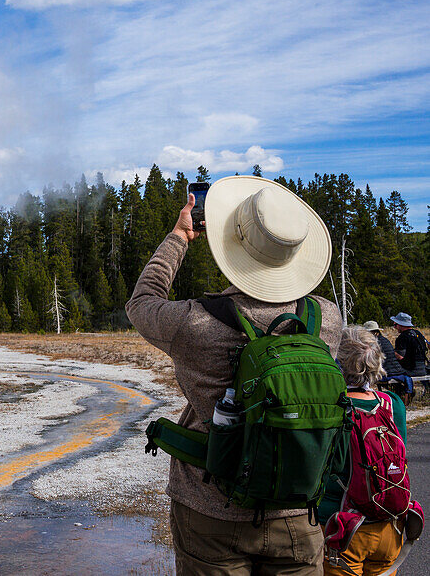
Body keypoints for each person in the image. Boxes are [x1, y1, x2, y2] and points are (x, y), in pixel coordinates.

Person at [128, 175, 342, 575]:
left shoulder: (192, 323)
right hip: (295, 510)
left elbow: (142, 301)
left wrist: (178, 236)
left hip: (210, 509)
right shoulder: (326, 319)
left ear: (230, 245)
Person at [319, 326, 419, 576]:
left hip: (343, 525)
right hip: (390, 524)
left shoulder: (333, 407)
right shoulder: (392, 404)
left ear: (338, 362)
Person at [366, 320, 414, 399]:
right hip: (397, 370)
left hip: (386, 371)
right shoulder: (385, 340)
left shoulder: (372, 342)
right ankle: (400, 394)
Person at [392, 312, 429, 395]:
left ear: (401, 325)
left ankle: (402, 393)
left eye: (396, 325)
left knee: (391, 373)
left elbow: (401, 357)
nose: (395, 327)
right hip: (422, 369)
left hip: (411, 370)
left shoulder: (402, 338)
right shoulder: (418, 333)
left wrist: (393, 353)